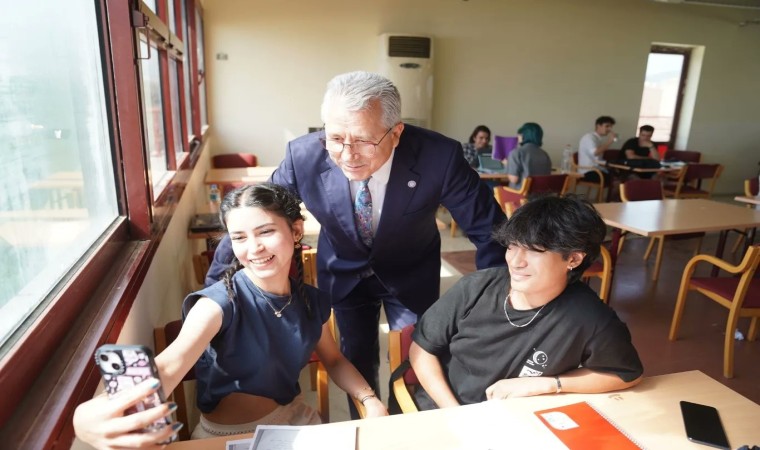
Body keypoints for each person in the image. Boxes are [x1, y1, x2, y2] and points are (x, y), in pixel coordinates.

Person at [206, 71, 507, 417]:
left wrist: (499, 305)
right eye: (335, 138)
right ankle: (368, 427)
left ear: (396, 133)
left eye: (363, 140)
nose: (347, 155)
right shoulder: (304, 156)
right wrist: (215, 292)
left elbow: (489, 230)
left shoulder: (438, 156)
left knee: (416, 360)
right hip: (344, 271)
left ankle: (406, 429)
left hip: (410, 270)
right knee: (357, 361)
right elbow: (253, 217)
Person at [73, 184, 387, 448]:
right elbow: (170, 364)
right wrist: (85, 417)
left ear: (295, 231)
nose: (254, 248)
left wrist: (369, 400)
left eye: (265, 231)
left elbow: (334, 360)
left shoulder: (310, 300)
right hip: (227, 437)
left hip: (294, 422)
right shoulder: (217, 304)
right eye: (239, 237)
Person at [409, 195, 643, 409]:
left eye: (533, 251)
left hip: (516, 422)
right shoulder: (475, 288)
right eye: (512, 246)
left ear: (573, 259)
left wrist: (549, 384)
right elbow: (422, 349)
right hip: (442, 410)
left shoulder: (589, 317)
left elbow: (626, 374)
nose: (515, 262)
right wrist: (455, 413)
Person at [505, 122, 552, 189]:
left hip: (520, 193)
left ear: (523, 136)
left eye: (519, 134)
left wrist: (508, 165)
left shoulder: (516, 153)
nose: (518, 136)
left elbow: (513, 179)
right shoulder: (545, 154)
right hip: (541, 193)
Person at [577, 116, 617, 187]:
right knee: (616, 179)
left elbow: (597, 159)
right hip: (588, 172)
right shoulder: (589, 138)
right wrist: (609, 141)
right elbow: (595, 153)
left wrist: (607, 165)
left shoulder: (598, 139)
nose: (609, 129)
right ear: (598, 126)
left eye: (611, 127)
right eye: (607, 126)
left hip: (596, 169)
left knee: (618, 174)